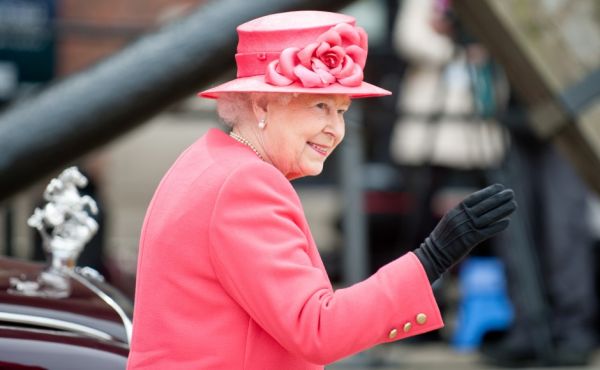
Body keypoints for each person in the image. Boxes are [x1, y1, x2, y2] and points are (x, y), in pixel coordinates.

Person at [126, 10, 516, 369]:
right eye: (319, 107)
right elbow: (317, 329)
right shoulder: (246, 183)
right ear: (262, 105)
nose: (336, 130)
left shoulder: (209, 160)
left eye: (341, 110)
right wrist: (432, 257)